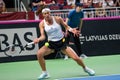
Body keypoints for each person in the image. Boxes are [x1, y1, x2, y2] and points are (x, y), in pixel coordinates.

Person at [33, 8, 95, 80]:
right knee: (39, 54)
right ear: (43, 15)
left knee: (76, 58)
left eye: (48, 13)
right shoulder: (42, 24)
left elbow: (66, 26)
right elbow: (43, 36)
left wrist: (72, 30)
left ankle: (85, 68)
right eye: (45, 14)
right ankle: (45, 73)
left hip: (61, 43)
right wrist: (38, 39)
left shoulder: (57, 19)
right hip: (51, 44)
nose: (47, 15)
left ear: (50, 13)